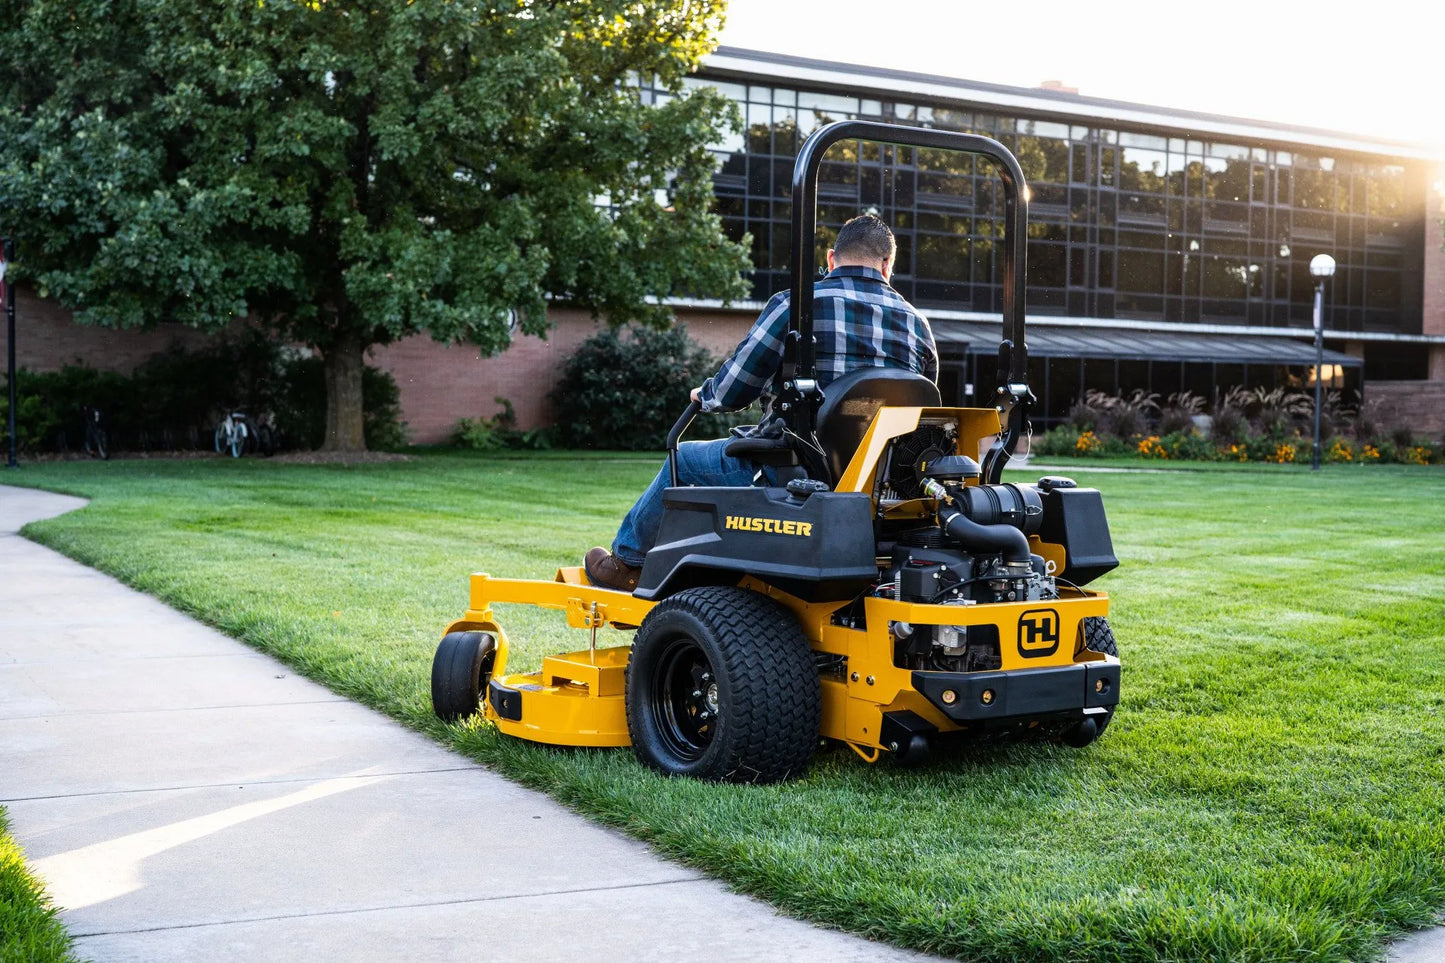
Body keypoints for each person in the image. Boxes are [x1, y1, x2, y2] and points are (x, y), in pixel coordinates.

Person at [584, 213, 937, 591]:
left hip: (796, 473)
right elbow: (922, 408)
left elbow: (734, 390)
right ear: (888, 265)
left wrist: (705, 395)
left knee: (685, 459)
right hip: (881, 485)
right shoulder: (917, 324)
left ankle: (627, 564)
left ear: (832, 259)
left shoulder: (795, 306)